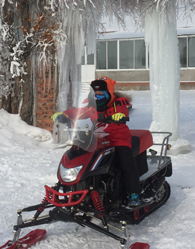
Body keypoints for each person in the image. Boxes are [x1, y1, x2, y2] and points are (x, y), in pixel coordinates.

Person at [51, 76, 142, 207]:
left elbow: (124, 111)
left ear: (109, 92)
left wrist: (120, 116)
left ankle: (134, 194)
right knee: (85, 158)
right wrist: (65, 114)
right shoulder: (92, 107)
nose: (97, 95)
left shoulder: (118, 104)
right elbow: (80, 112)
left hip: (118, 139)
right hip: (100, 139)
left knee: (126, 162)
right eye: (96, 93)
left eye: (101, 93)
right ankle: (82, 188)